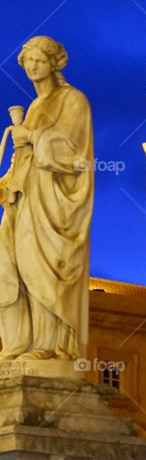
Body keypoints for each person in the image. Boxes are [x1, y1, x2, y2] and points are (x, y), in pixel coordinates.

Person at [0, 36, 93, 360]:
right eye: (27, 62)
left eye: (39, 60)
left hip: (52, 206)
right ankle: (18, 344)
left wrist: (35, 138)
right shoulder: (36, 107)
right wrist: (7, 181)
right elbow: (23, 156)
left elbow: (76, 153)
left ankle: (47, 346)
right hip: (26, 200)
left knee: (42, 269)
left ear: (54, 63)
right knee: (14, 267)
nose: (32, 67)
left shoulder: (73, 100)